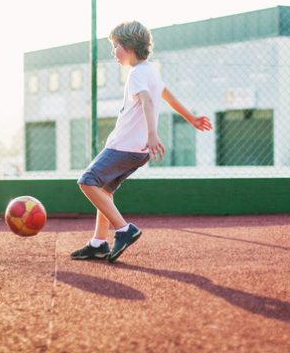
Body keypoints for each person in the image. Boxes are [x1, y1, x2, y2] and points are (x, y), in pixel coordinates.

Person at [73, 20, 213, 263]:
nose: (113, 52)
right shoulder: (151, 70)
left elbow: (148, 100)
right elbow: (166, 95)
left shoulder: (137, 74)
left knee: (87, 181)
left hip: (123, 146)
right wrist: (190, 117)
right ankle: (98, 243)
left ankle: (124, 230)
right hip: (137, 151)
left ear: (128, 47)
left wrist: (152, 133)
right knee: (105, 190)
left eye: (115, 46)